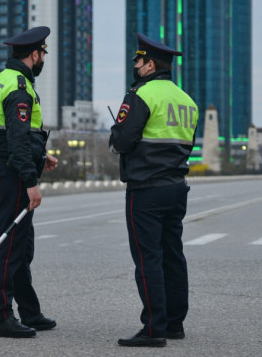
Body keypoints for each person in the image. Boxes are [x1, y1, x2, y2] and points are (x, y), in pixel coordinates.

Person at [109, 33, 199, 348]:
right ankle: (175, 324)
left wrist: (116, 131)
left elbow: (122, 141)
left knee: (148, 258)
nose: (134, 65)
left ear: (149, 64)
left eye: (138, 60)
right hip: (176, 187)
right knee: (173, 255)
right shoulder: (187, 101)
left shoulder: (141, 94)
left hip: (145, 189)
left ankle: (153, 328)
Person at [0, 26, 59, 338]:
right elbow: (15, 140)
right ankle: (3, 318)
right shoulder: (19, 88)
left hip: (7, 167)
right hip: (13, 173)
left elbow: (16, 136)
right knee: (9, 244)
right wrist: (31, 181)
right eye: (43, 53)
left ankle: (29, 311)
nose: (43, 59)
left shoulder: (2, 79)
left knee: (22, 246)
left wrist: (43, 157)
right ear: (34, 54)